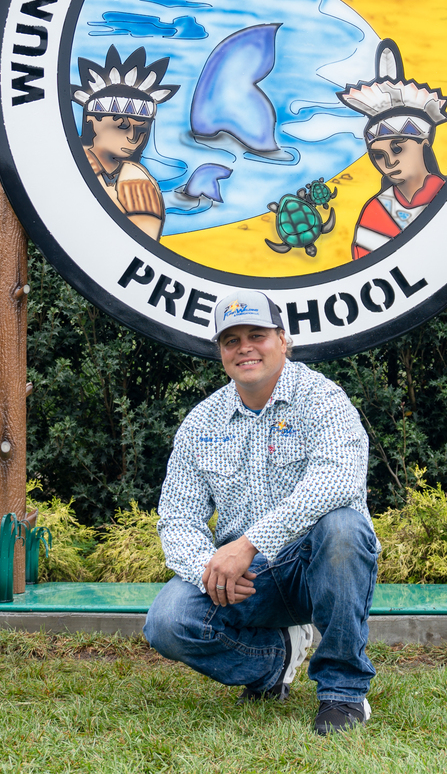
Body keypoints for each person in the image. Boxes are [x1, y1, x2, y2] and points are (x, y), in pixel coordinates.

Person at [144, 289, 380, 735]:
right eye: (231, 340)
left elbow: (338, 481)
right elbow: (177, 516)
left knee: (344, 527)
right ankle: (275, 661)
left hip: (317, 567)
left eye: (257, 334)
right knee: (167, 621)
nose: (245, 348)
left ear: (283, 340)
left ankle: (342, 695)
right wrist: (206, 569)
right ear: (220, 352)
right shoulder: (201, 423)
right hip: (249, 583)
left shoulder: (322, 398)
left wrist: (248, 546)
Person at [338, 39, 447, 259]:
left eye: (398, 149)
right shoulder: (375, 211)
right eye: (379, 156)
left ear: (424, 143)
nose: (388, 163)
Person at [71, 45, 177, 241]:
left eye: (142, 129)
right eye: (122, 126)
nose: (134, 137)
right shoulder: (69, 165)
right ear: (91, 120)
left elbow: (145, 245)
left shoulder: (136, 178)